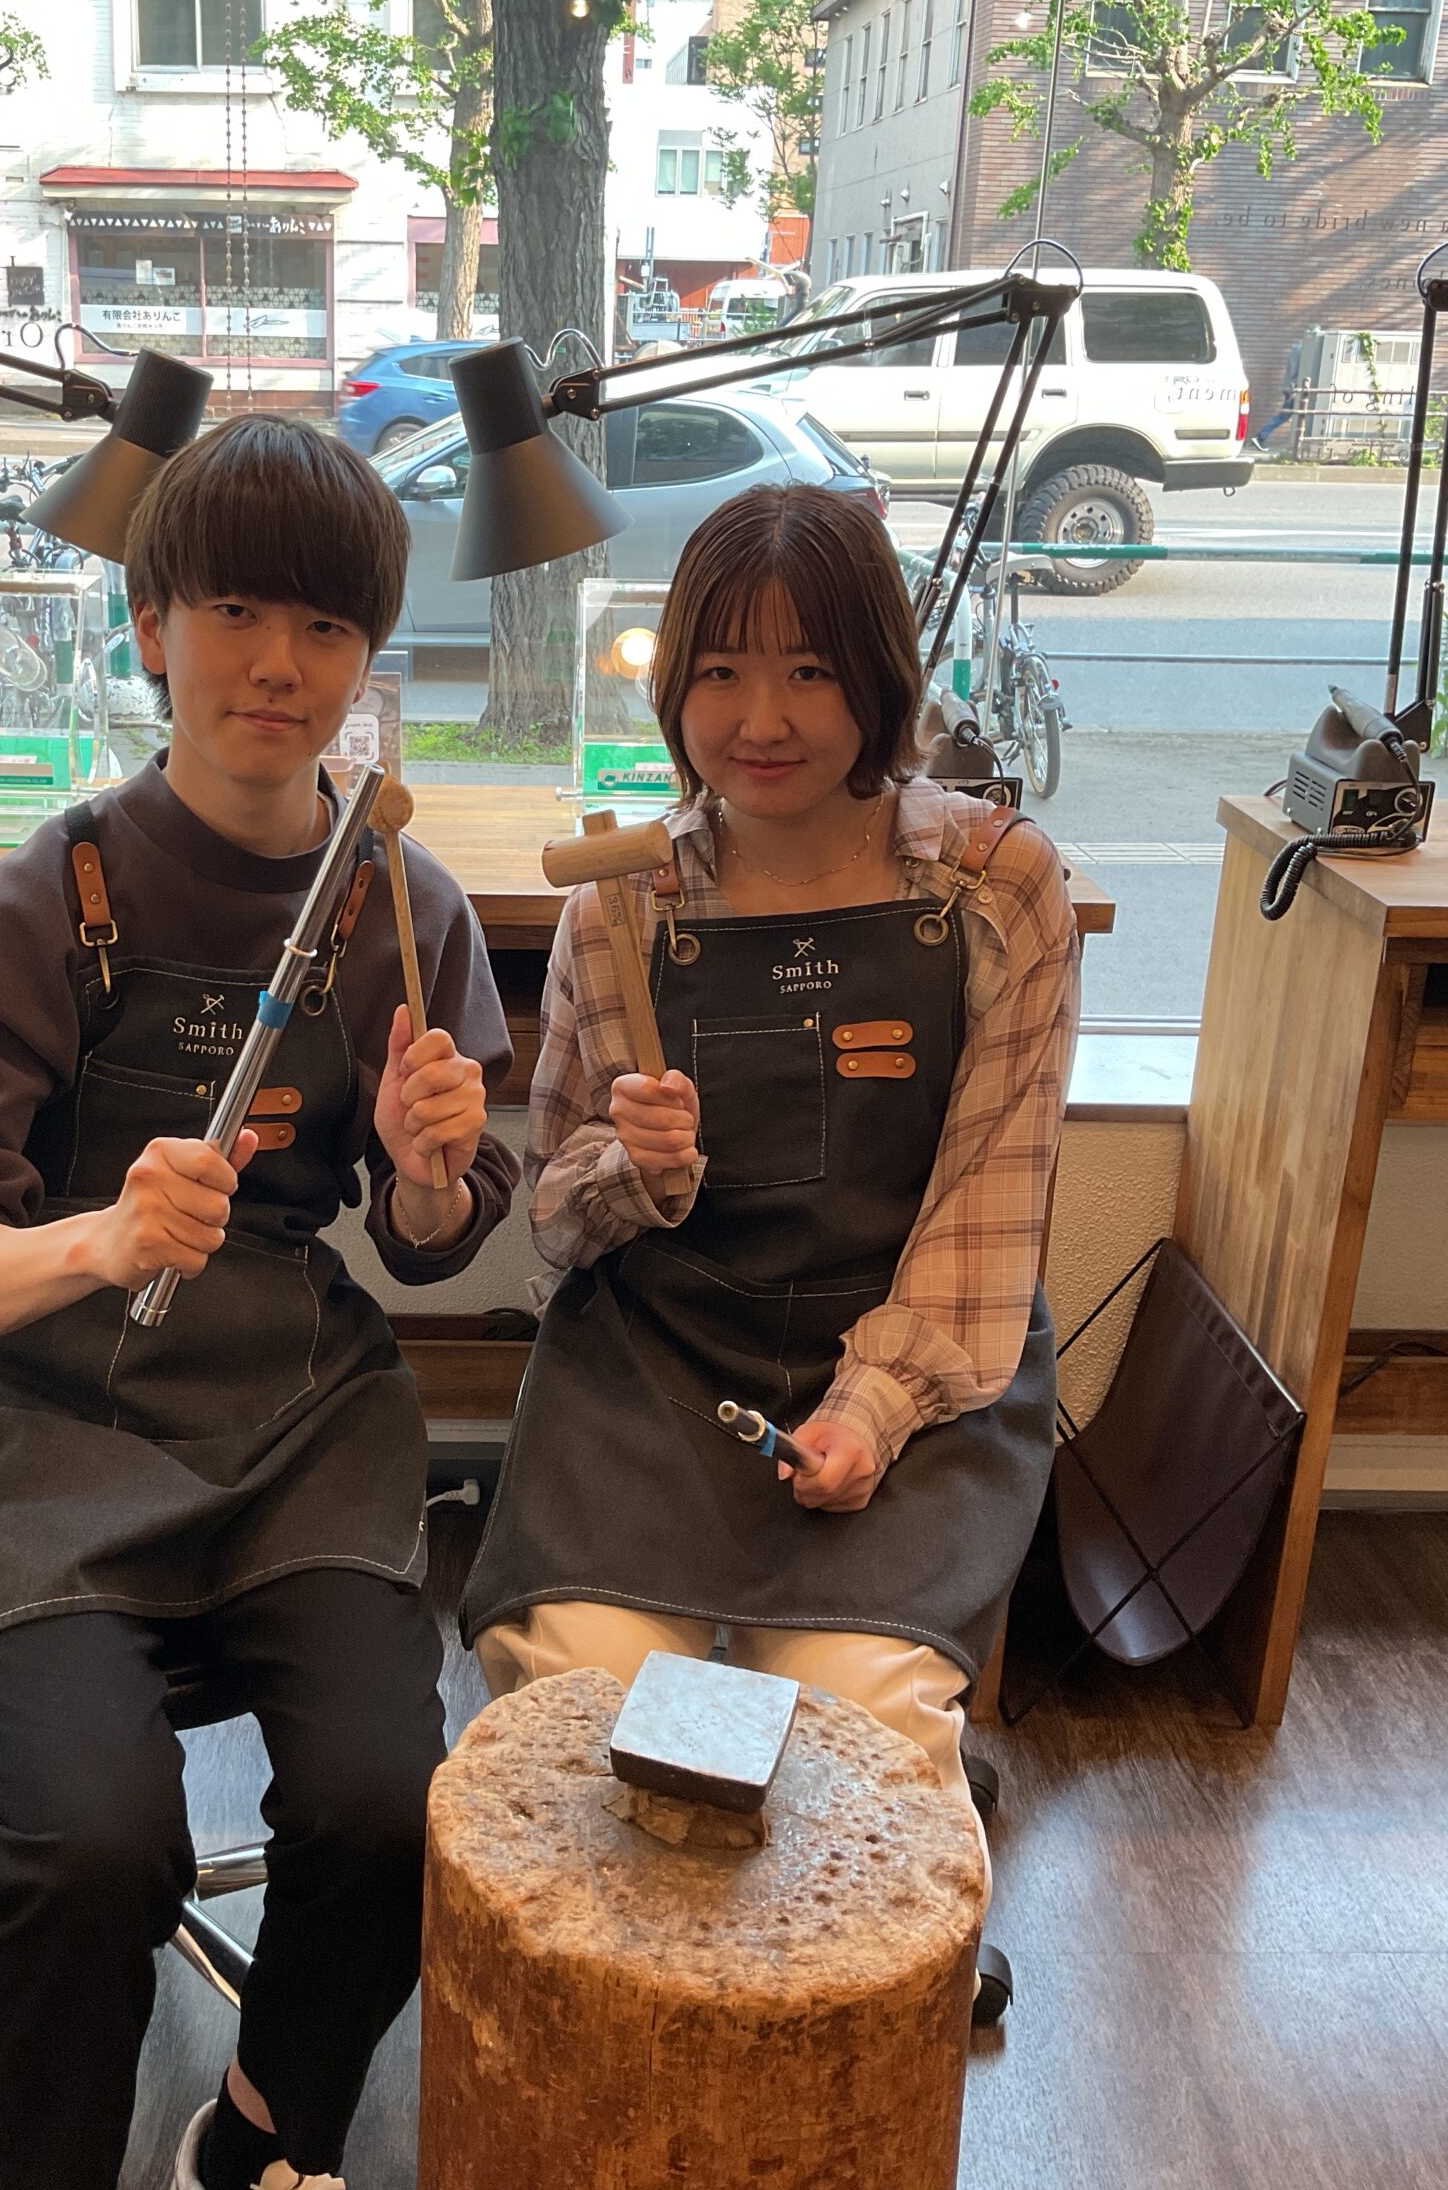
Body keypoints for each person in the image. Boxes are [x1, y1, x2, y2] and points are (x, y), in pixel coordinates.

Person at [0, 418, 517, 2190]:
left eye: (324, 627)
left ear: (366, 657)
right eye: (232, 612)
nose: (275, 665)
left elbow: (432, 1239)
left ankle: (249, 2166)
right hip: (27, 1433)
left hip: (287, 1422)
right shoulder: (47, 896)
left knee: (394, 1803)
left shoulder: (403, 906)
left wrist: (427, 1174)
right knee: (94, 1842)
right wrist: (94, 1237)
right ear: (151, 627)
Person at [462, 484, 1079, 1981]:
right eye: (723, 671)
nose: (763, 718)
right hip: (659, 1363)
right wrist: (634, 1171)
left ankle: (847, 2026)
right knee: (583, 1707)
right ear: (674, 686)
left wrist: (871, 1408)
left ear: (879, 679)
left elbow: (986, 1206)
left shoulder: (996, 889)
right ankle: (625, 2028)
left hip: (910, 1364)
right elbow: (556, 1214)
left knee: (854, 1716)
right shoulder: (625, 904)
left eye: (810, 670)